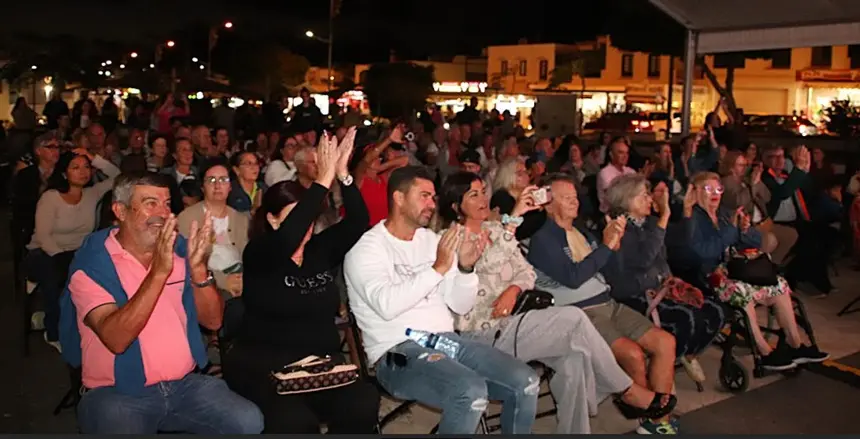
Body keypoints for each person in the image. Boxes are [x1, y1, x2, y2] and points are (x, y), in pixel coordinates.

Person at [437, 171, 677, 434]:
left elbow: (525, 272)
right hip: (484, 331)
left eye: (483, 191)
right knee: (574, 318)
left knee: (574, 359)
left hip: (516, 320)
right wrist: (514, 219)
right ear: (454, 205)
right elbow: (486, 263)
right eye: (473, 195)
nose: (483, 198)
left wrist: (514, 288)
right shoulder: (450, 239)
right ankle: (627, 391)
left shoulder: (496, 229)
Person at [58, 173, 263, 434]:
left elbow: (213, 321)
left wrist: (199, 270)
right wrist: (159, 273)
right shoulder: (91, 265)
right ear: (120, 210)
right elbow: (115, 338)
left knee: (248, 420)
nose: (162, 213)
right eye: (150, 203)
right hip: (117, 393)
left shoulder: (178, 251)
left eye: (166, 204)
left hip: (184, 385)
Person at [345, 166, 539, 435]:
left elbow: (460, 305)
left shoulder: (432, 240)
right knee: (469, 391)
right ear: (398, 198)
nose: (431, 204)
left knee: (525, 381)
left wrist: (466, 269)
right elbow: (387, 306)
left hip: (446, 341)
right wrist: (436, 269)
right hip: (397, 353)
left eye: (433, 197)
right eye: (423, 196)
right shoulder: (367, 250)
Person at [223, 128, 379, 433]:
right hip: (267, 368)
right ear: (272, 219)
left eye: (308, 217)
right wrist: (322, 179)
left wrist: (343, 174)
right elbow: (288, 238)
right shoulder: (262, 253)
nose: (306, 227)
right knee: (296, 422)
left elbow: (359, 221)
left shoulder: (319, 249)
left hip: (320, 367)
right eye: (296, 218)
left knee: (363, 401)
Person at [527, 173, 679, 435]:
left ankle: (659, 419)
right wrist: (607, 247)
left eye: (575, 196)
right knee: (632, 354)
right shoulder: (544, 238)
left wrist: (614, 246)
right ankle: (646, 415)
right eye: (566, 198)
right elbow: (573, 278)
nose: (575, 202)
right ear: (548, 204)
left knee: (665, 342)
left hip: (607, 302)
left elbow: (605, 268)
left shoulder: (581, 232)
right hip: (581, 313)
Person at [670, 171, 829, 371]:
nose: (716, 193)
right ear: (694, 192)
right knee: (741, 292)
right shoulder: (690, 218)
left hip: (734, 270)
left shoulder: (725, 214)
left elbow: (755, 241)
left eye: (719, 188)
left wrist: (745, 230)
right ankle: (764, 352)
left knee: (778, 284)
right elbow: (702, 253)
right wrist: (731, 232)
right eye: (708, 188)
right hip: (707, 276)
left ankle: (794, 344)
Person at [602, 174, 725, 384]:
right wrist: (663, 219)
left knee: (717, 310)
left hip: (663, 288)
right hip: (636, 294)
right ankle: (667, 361)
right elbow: (642, 259)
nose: (650, 199)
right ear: (626, 199)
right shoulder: (619, 227)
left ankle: (686, 354)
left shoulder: (648, 222)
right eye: (643, 196)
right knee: (687, 318)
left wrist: (685, 211)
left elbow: (680, 240)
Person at [26, 148, 120, 350]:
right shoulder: (51, 197)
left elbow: (118, 176)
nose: (83, 171)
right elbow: (43, 236)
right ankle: (53, 331)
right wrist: (62, 258)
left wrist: (93, 156)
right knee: (55, 274)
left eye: (86, 167)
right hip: (47, 251)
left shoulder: (92, 193)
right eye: (75, 167)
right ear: (64, 172)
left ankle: (97, 324)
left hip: (78, 251)